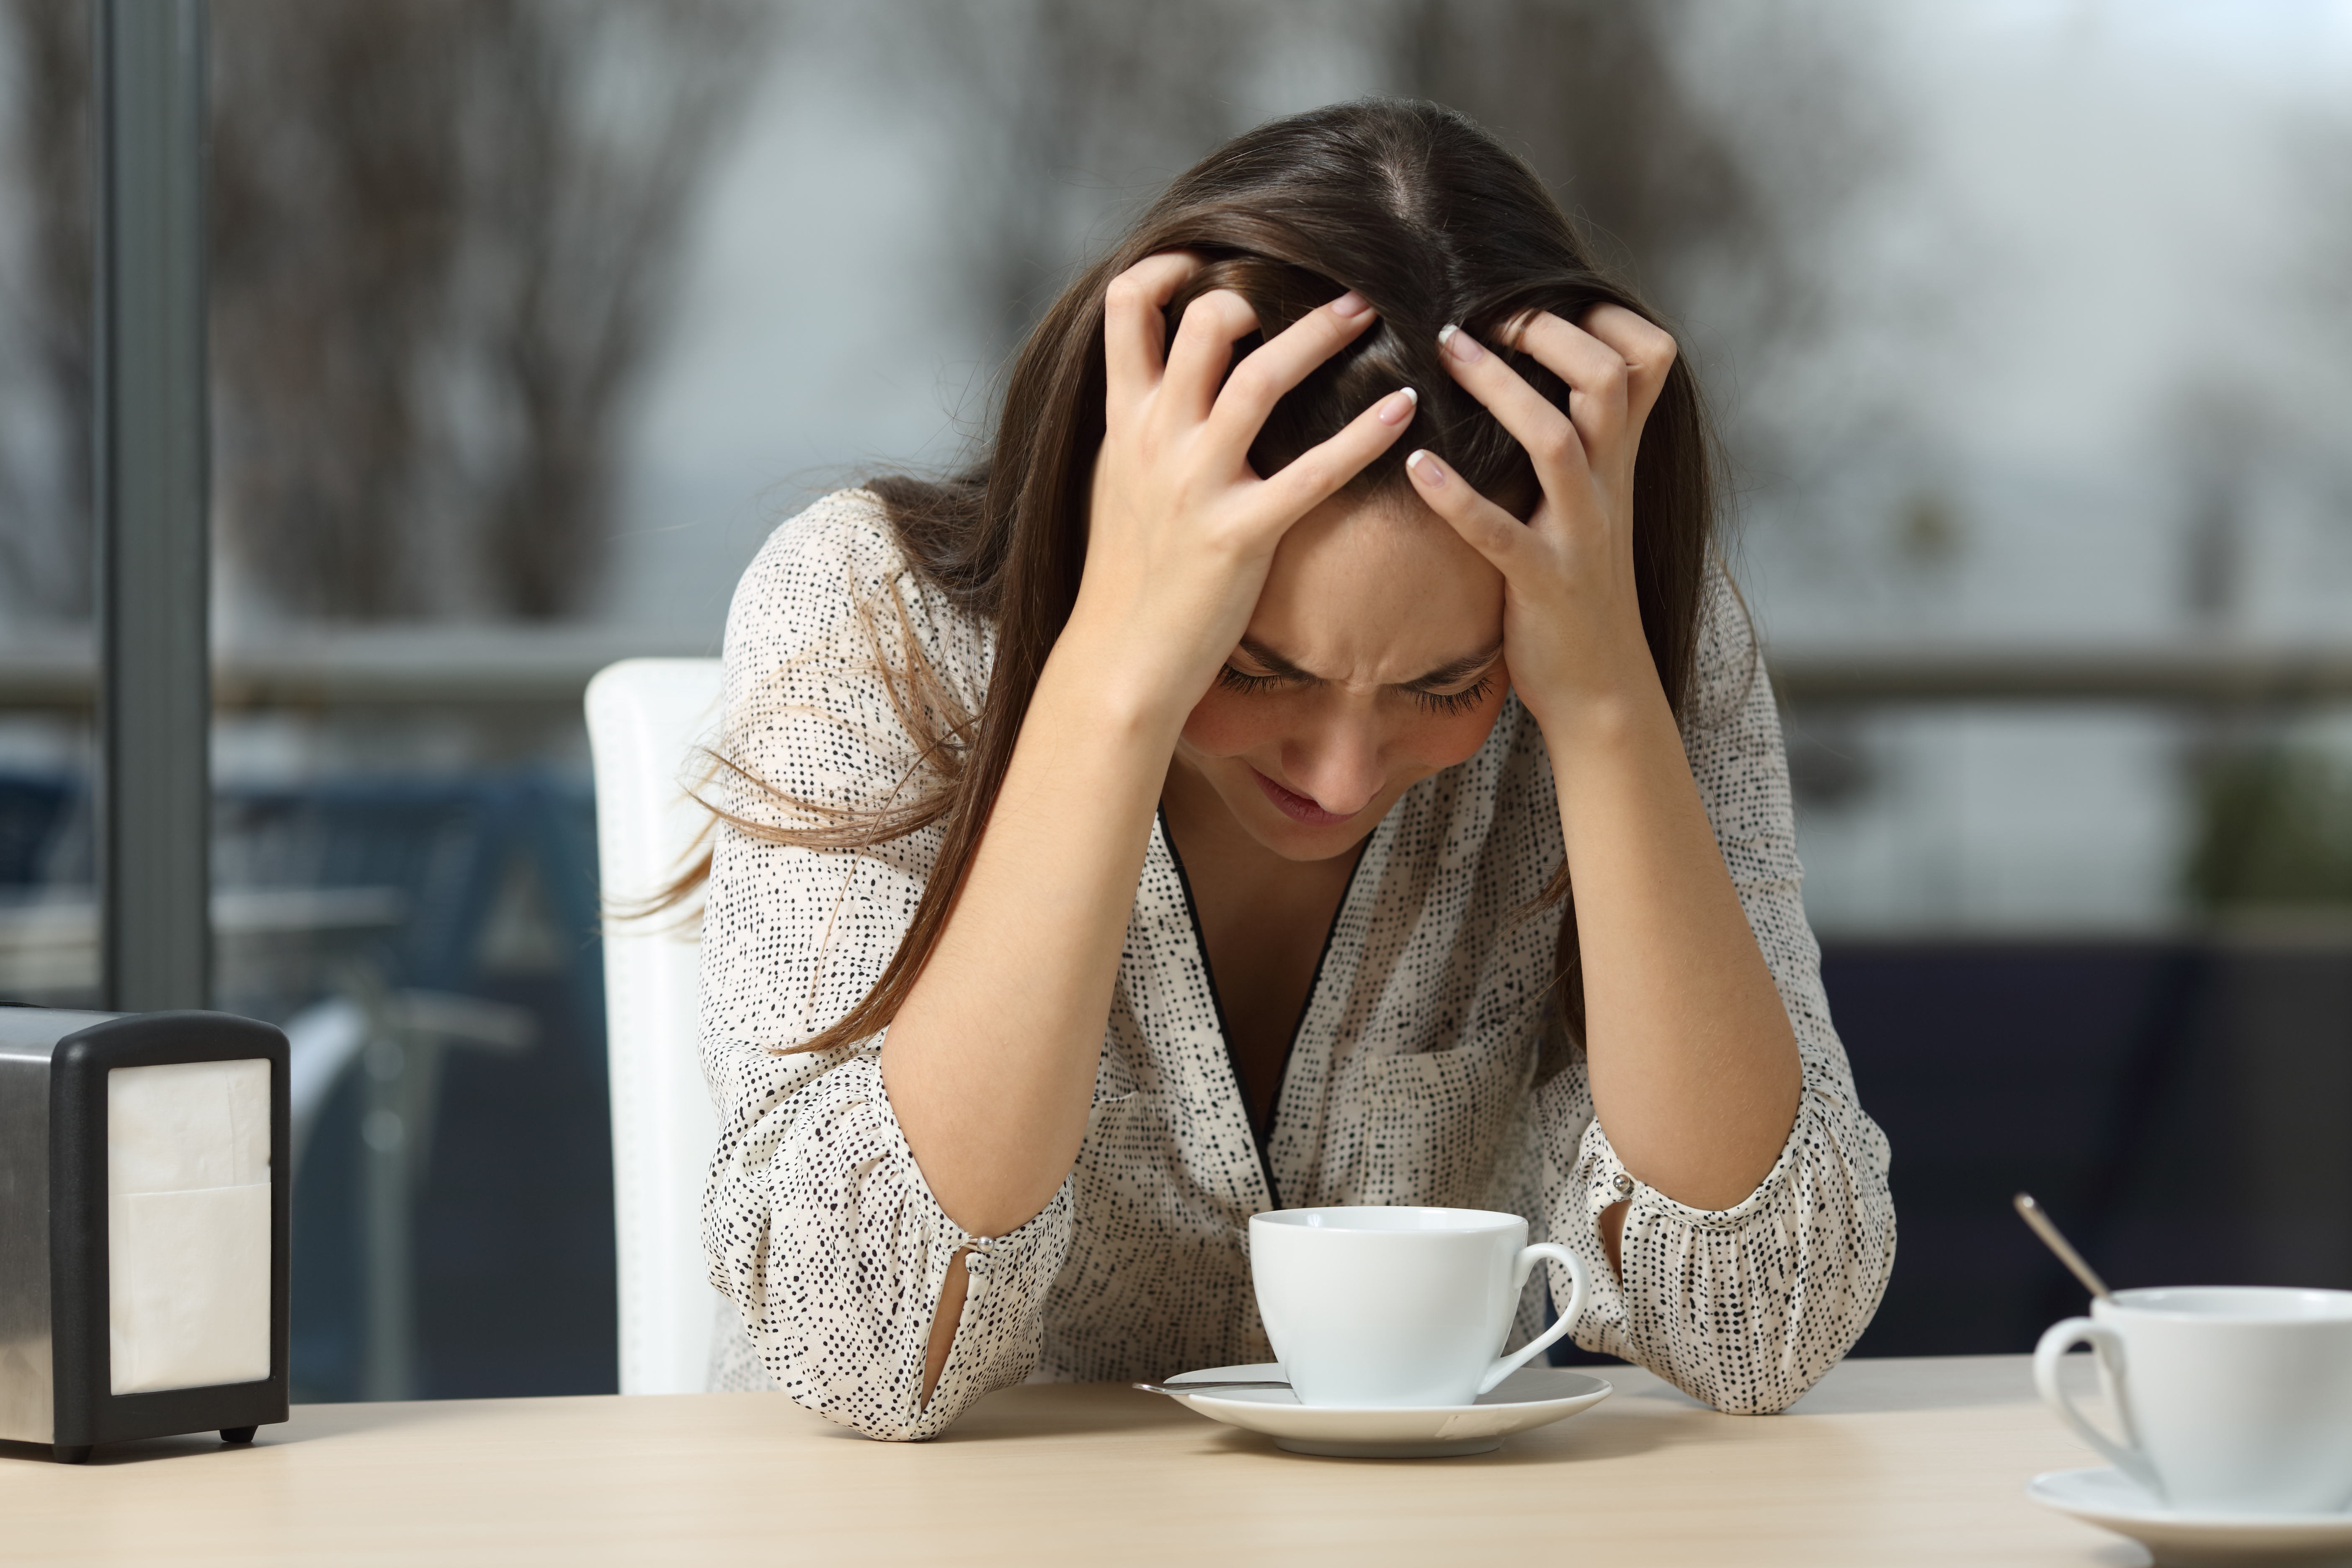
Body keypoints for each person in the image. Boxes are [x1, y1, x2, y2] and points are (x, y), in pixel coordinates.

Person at [694, 98, 1894, 1441]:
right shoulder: (867, 615)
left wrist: (1609, 711)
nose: (1337, 773)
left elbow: (1767, 1321)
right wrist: (1114, 682)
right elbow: (858, 1337)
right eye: (1259, 669)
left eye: (1445, 687)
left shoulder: (1627, 647)